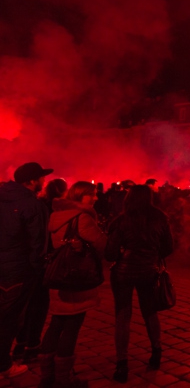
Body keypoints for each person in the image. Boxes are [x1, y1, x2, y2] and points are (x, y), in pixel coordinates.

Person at [40, 181, 106, 388]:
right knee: (72, 327)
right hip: (76, 279)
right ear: (80, 196)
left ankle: (46, 377)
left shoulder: (56, 216)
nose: (95, 198)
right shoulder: (82, 218)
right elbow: (103, 245)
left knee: (56, 323)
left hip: (58, 279)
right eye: (91, 195)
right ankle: (63, 379)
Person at [105, 185, 174, 383]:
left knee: (123, 315)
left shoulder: (120, 220)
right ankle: (156, 352)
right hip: (148, 271)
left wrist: (121, 254)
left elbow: (109, 253)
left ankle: (122, 364)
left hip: (123, 272)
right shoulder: (160, 218)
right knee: (150, 312)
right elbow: (168, 247)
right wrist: (152, 255)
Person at [0, 162, 52, 379]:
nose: (43, 182)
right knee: (9, 318)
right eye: (40, 178)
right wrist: (38, 268)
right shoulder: (31, 204)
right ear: (31, 181)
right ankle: (3, 365)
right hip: (18, 270)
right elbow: (38, 243)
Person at [13, 178, 67, 367]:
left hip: (21, 262)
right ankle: (32, 346)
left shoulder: (34, 204)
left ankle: (20, 344)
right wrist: (41, 261)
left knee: (25, 306)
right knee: (38, 305)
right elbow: (41, 238)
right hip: (37, 263)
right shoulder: (47, 208)